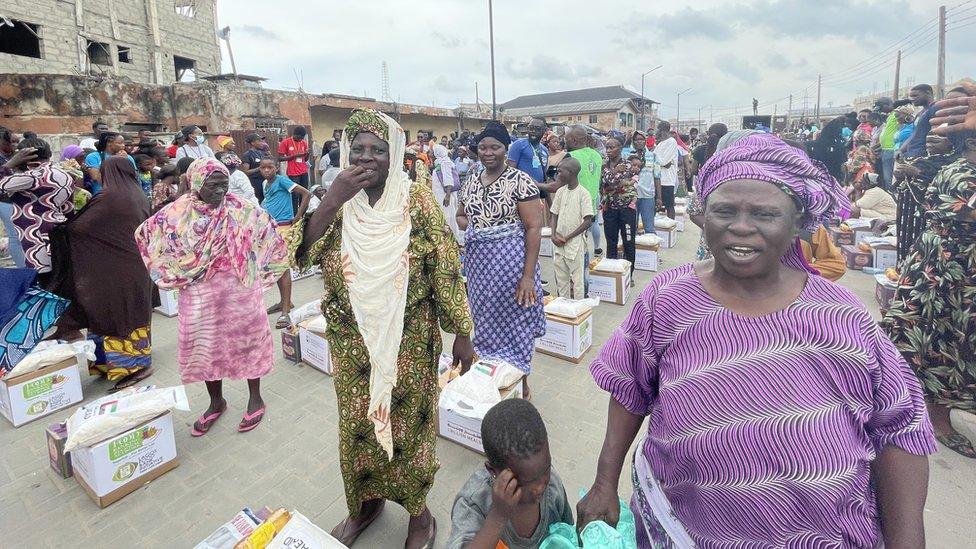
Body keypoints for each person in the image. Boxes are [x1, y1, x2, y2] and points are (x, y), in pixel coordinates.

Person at [579, 133, 935, 548]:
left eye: (765, 214)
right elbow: (629, 389)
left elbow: (900, 431)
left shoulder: (843, 316)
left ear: (797, 222)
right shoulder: (667, 299)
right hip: (682, 527)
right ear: (702, 215)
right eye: (723, 211)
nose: (741, 228)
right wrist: (605, 480)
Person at [297, 109, 474, 548]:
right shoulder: (341, 202)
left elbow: (445, 268)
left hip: (409, 342)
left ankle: (419, 515)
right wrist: (332, 198)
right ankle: (365, 504)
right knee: (356, 427)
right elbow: (301, 254)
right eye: (357, 149)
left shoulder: (417, 201)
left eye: (377, 149)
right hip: (353, 342)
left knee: (409, 429)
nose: (366, 157)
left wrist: (462, 332)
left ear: (394, 154)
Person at [136, 158, 288, 436]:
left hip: (240, 289)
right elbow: (146, 234)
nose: (219, 190)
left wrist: (262, 266)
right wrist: (176, 270)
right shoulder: (179, 212)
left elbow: (271, 234)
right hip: (200, 292)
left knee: (248, 341)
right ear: (195, 183)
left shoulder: (242, 209)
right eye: (212, 184)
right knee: (207, 345)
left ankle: (256, 397)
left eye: (223, 183)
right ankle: (216, 401)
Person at [882, 127, 976, 458]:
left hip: (953, 262)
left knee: (952, 336)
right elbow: (966, 209)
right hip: (950, 267)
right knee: (945, 337)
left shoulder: (954, 167)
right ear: (971, 143)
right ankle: (937, 417)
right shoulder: (963, 173)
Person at [49, 156, 154, 391]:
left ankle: (133, 367)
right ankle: (127, 362)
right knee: (131, 311)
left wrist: (58, 226)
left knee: (114, 312)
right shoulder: (137, 193)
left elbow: (79, 227)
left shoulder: (108, 197)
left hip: (114, 268)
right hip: (135, 264)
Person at [457, 120, 545, 378]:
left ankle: (520, 380)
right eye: (483, 147)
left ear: (506, 149)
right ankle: (493, 377)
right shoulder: (472, 180)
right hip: (478, 268)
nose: (487, 152)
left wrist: (527, 277)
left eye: (494, 147)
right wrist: (479, 228)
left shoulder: (521, 181)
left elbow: (533, 228)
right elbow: (462, 216)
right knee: (484, 319)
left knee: (516, 320)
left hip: (512, 266)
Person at [447, 399, 573, 549]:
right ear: (493, 471)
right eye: (526, 481)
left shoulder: (552, 487)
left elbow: (569, 533)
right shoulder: (474, 503)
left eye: (545, 470)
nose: (539, 487)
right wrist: (498, 516)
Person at [0, 138, 74, 281]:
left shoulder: (33, 177)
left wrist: (9, 164)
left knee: (43, 281)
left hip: (35, 235)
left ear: (23, 157)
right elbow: (68, 207)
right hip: (58, 230)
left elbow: (2, 185)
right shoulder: (64, 174)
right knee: (59, 279)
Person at [258, 158, 309, 329]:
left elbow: (306, 193)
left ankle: (286, 311)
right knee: (277, 268)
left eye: (270, 167)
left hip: (283, 227)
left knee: (283, 267)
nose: (266, 170)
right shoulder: (266, 184)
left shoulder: (282, 181)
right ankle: (283, 302)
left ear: (276, 167)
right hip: (271, 228)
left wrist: (297, 216)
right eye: (263, 167)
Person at [892, 134, 959, 261]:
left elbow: (942, 186)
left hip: (926, 215)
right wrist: (901, 176)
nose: (930, 145)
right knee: (906, 241)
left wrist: (918, 173)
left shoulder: (951, 164)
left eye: (935, 142)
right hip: (908, 211)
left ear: (950, 143)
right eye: (927, 142)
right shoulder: (922, 159)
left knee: (921, 246)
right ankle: (902, 266)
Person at [550, 157, 593, 299]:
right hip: (558, 243)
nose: (558, 175)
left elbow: (588, 221)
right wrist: (553, 235)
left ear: (571, 172)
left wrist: (567, 237)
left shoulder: (583, 194)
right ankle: (564, 309)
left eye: (560, 171)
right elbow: (554, 214)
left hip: (574, 244)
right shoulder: (561, 192)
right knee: (561, 280)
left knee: (578, 280)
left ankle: (579, 311)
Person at [600, 137, 637, 278]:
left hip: (626, 209)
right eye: (607, 147)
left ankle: (629, 275)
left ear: (620, 147)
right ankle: (612, 273)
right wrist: (615, 171)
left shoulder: (628, 165)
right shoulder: (604, 165)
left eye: (612, 147)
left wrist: (611, 177)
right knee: (611, 241)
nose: (608, 150)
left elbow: (613, 184)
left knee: (628, 241)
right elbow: (607, 183)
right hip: (610, 209)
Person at [566, 126, 604, 255]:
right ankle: (597, 249)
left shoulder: (571, 156)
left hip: (578, 199)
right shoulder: (597, 155)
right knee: (594, 224)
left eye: (567, 139)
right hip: (594, 196)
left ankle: (582, 262)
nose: (565, 141)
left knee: (579, 233)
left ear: (574, 140)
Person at [621, 130, 657, 234]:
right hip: (631, 196)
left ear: (645, 141)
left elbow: (657, 177)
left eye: (641, 139)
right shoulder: (626, 154)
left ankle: (650, 248)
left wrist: (659, 197)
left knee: (649, 227)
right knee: (631, 228)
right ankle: (631, 249)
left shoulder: (652, 156)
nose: (639, 142)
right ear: (633, 141)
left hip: (648, 196)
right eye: (636, 139)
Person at [432, 143, 463, 244]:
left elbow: (448, 179)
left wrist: (447, 196)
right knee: (444, 216)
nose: (431, 154)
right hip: (440, 195)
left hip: (445, 196)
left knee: (448, 216)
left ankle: (452, 240)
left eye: (433, 152)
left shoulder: (445, 162)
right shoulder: (439, 163)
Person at [279, 126, 311, 210]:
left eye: (302, 138)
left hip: (303, 171)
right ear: (294, 135)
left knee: (304, 193)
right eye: (300, 137)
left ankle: (303, 212)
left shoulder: (304, 143)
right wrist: (295, 156)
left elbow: (305, 159)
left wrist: (307, 154)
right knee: (295, 194)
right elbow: (280, 158)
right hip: (293, 173)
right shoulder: (286, 142)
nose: (301, 139)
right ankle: (294, 213)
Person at [902, 84, 936, 159]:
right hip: (912, 153)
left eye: (915, 95)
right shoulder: (920, 113)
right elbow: (914, 134)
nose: (911, 99)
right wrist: (901, 151)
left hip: (924, 155)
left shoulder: (935, 110)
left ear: (928, 93)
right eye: (911, 96)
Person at [654, 122, 679, 219]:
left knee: (669, 206)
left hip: (668, 180)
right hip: (658, 179)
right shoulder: (660, 144)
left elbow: (663, 161)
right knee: (657, 204)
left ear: (662, 130)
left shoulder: (672, 142)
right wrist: (661, 163)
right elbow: (654, 159)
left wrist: (660, 163)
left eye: (658, 130)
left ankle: (671, 224)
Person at [242, 133, 268, 202]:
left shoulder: (261, 153)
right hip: (255, 182)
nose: (262, 143)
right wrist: (259, 168)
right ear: (252, 143)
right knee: (257, 201)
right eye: (259, 141)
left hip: (264, 181)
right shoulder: (247, 155)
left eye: (262, 141)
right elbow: (246, 171)